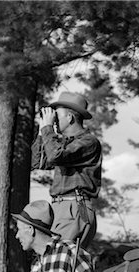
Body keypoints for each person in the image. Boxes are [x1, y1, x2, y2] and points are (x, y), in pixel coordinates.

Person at [31, 91, 102, 248]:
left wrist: (49, 129)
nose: (54, 121)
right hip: (62, 208)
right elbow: (38, 163)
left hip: (74, 207)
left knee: (59, 257)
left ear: (70, 118)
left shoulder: (88, 142)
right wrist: (42, 131)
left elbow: (56, 157)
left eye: (57, 116)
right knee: (59, 263)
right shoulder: (61, 143)